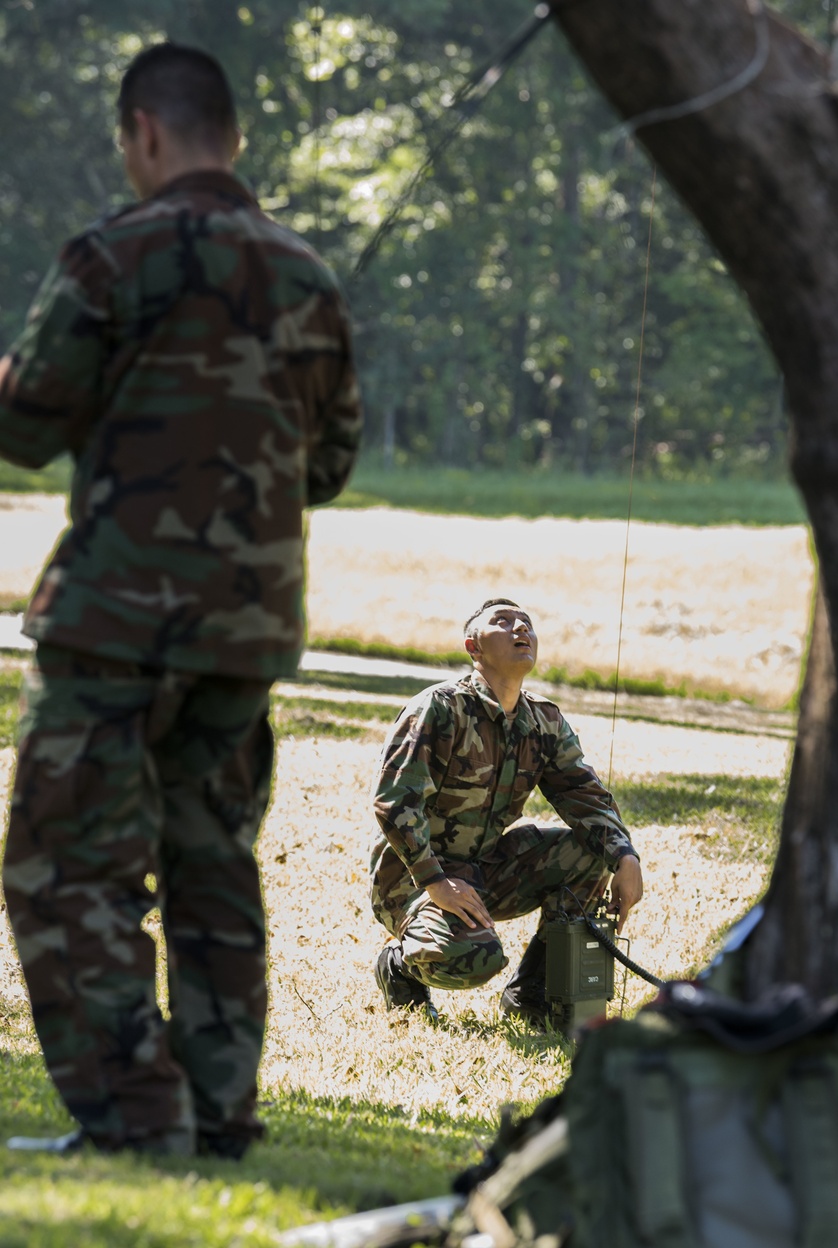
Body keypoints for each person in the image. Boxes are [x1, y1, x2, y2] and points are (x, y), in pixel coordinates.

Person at [0, 43, 362, 1157]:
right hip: (244, 639)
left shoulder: (112, 257)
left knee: (65, 868)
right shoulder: (306, 275)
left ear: (143, 134)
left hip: (115, 626)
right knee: (212, 869)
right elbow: (332, 463)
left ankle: (136, 1117)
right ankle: (213, 1118)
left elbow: (25, 431)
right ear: (231, 136)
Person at [370, 598, 643, 1023]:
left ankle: (531, 995)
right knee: (475, 956)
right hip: (412, 878)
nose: (520, 629)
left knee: (592, 853)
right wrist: (436, 882)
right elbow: (394, 802)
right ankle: (399, 966)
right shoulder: (439, 708)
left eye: (527, 624)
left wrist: (625, 855)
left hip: (484, 869)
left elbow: (585, 795)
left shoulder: (543, 721)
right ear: (473, 647)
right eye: (503, 622)